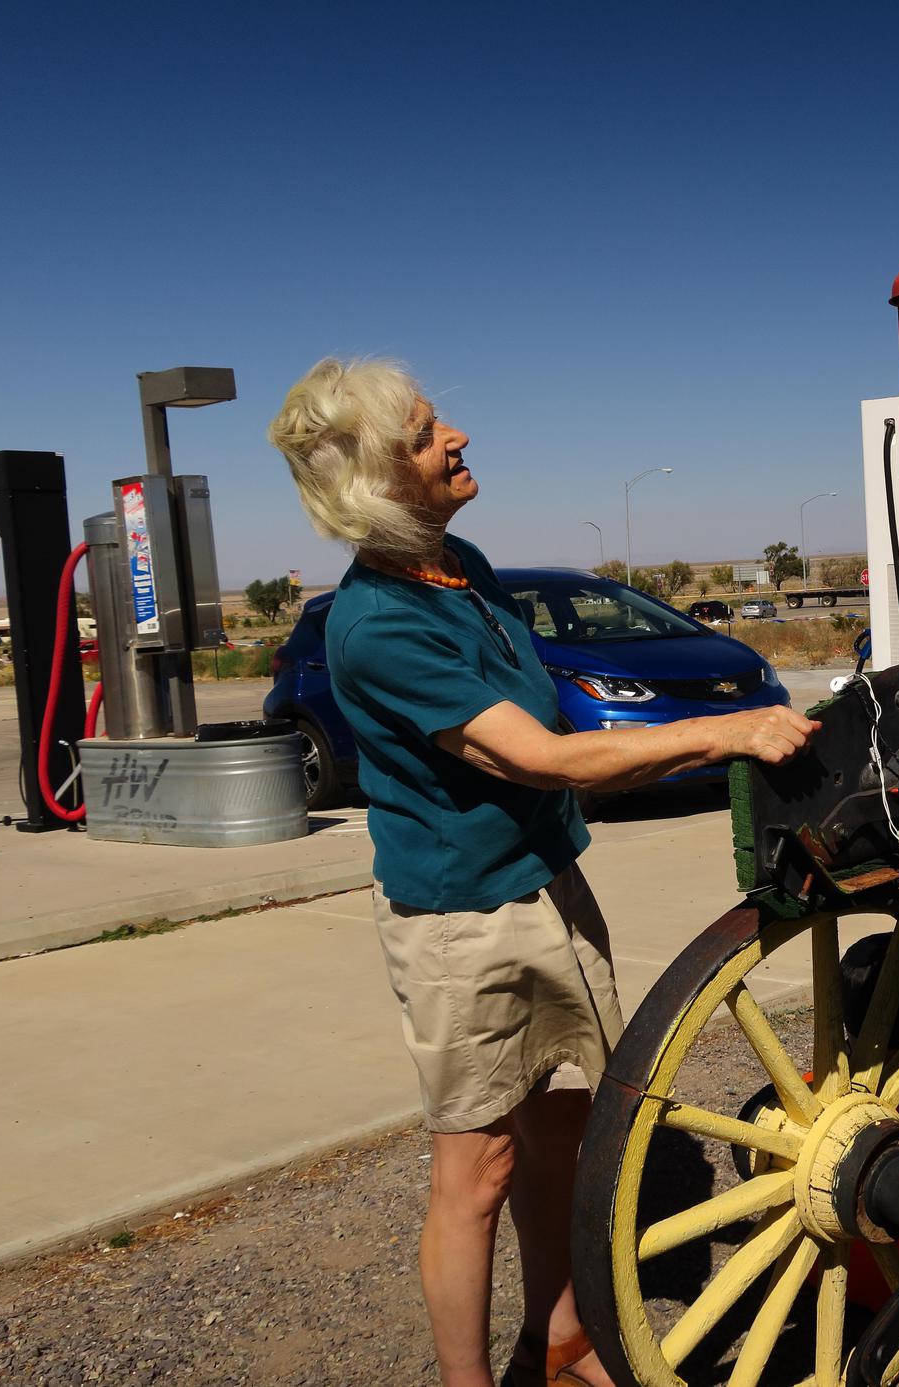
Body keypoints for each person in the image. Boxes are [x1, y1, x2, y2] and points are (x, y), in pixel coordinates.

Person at [268, 358, 818, 1387]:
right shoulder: (379, 625)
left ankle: (558, 1337)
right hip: (461, 919)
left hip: (547, 882)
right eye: (429, 432)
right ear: (386, 477)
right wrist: (729, 730)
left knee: (562, 1128)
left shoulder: (459, 563)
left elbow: (557, 720)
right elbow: (543, 754)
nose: (457, 436)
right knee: (474, 1170)